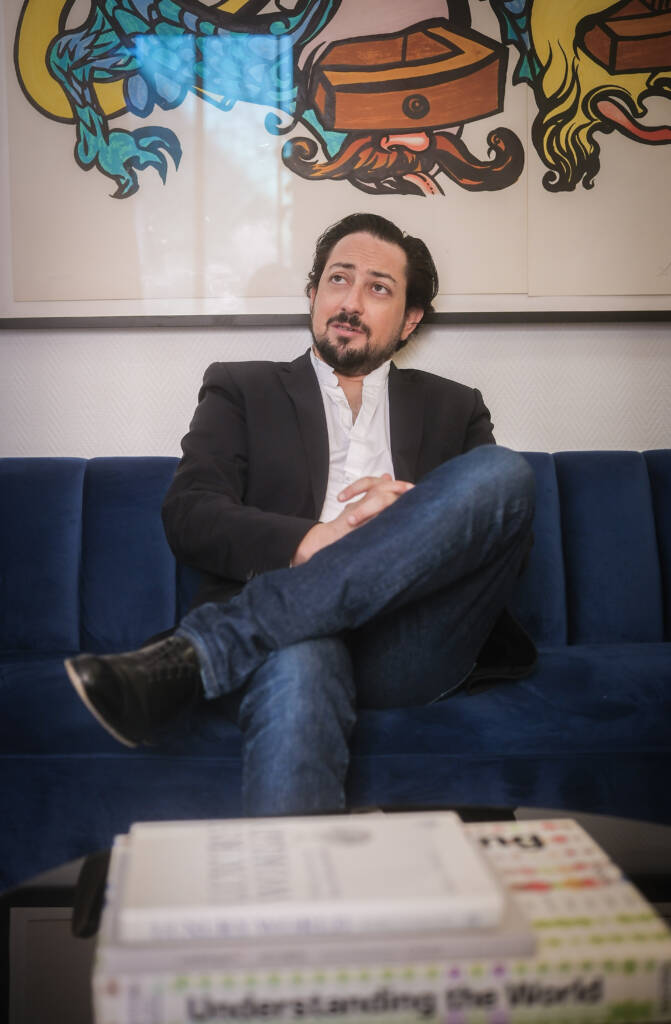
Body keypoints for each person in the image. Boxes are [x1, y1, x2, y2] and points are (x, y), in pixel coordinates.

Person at [65, 212, 537, 816]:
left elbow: (501, 542)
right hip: (293, 641)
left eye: (378, 288)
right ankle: (293, 883)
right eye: (338, 279)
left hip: (410, 643)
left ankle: (209, 651)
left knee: (504, 472)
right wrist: (313, 539)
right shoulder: (241, 389)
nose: (351, 302)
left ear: (410, 319)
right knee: (302, 656)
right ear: (313, 293)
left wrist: (408, 516)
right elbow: (190, 513)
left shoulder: (455, 406)